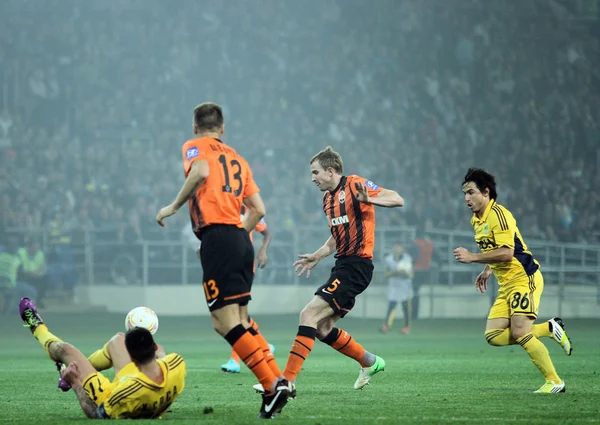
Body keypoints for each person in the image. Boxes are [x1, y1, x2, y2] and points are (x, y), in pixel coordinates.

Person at [155, 102, 289, 418]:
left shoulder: (194, 146)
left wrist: (174, 206)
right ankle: (279, 380)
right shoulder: (239, 159)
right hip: (241, 239)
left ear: (194, 127)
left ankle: (272, 387)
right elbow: (258, 209)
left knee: (222, 322)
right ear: (223, 128)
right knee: (242, 318)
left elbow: (200, 171)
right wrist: (237, 236)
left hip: (219, 237)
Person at [282, 146, 404, 394]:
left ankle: (285, 382)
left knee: (307, 316)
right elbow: (336, 237)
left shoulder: (355, 184)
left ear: (330, 171)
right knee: (321, 328)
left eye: (315, 172)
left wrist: (369, 199)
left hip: (357, 265)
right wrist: (316, 255)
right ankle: (369, 362)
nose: (312, 178)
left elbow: (397, 198)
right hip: (343, 264)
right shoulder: (327, 200)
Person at [453, 168, 572, 393]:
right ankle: (549, 328)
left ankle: (555, 381)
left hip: (523, 278)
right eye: (464, 194)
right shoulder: (476, 220)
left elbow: (508, 253)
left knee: (520, 332)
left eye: (471, 192)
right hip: (506, 284)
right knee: (494, 335)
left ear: (486, 192)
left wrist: (473, 258)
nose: (466, 198)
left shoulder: (499, 214)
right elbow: (496, 248)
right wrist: (488, 269)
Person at [18, 297, 185, 419]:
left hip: (109, 392)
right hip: (143, 377)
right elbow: (164, 357)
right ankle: (76, 367)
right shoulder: (177, 363)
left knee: (65, 349)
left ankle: (37, 327)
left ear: (132, 358)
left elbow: (96, 415)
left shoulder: (123, 394)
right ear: (155, 348)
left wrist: (76, 383)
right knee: (119, 339)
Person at [221, 206, 274, 374]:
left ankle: (235, 361)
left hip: (244, 266)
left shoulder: (250, 209)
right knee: (234, 314)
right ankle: (264, 346)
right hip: (226, 266)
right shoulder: (223, 209)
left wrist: (263, 250)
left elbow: (266, 233)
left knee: (235, 313)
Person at [380, 241, 414, 335]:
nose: (397, 249)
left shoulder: (407, 259)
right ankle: (386, 326)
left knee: (406, 308)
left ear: (402, 248)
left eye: (399, 247)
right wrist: (394, 273)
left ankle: (406, 327)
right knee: (391, 307)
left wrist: (402, 273)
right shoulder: (389, 259)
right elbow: (386, 274)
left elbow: (410, 274)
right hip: (393, 287)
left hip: (405, 287)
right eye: (395, 247)